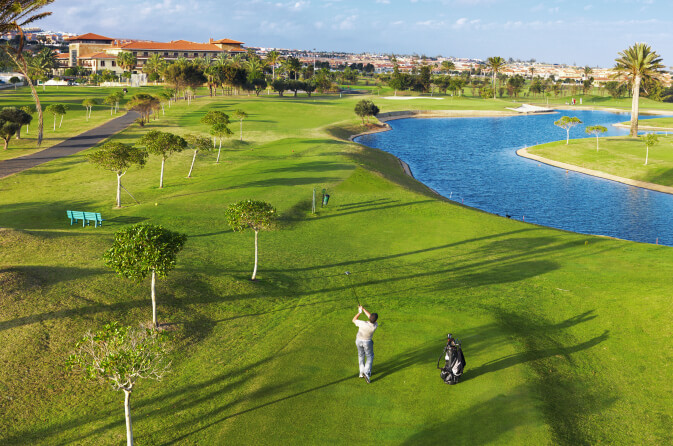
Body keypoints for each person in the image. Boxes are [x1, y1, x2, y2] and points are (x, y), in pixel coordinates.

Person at [352, 305, 378, 383]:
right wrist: (363, 309)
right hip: (367, 342)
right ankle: (366, 372)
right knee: (370, 356)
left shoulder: (362, 323)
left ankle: (361, 372)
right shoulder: (375, 325)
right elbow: (371, 317)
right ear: (376, 319)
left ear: (369, 318)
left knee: (361, 355)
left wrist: (359, 312)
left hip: (358, 341)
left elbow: (354, 319)